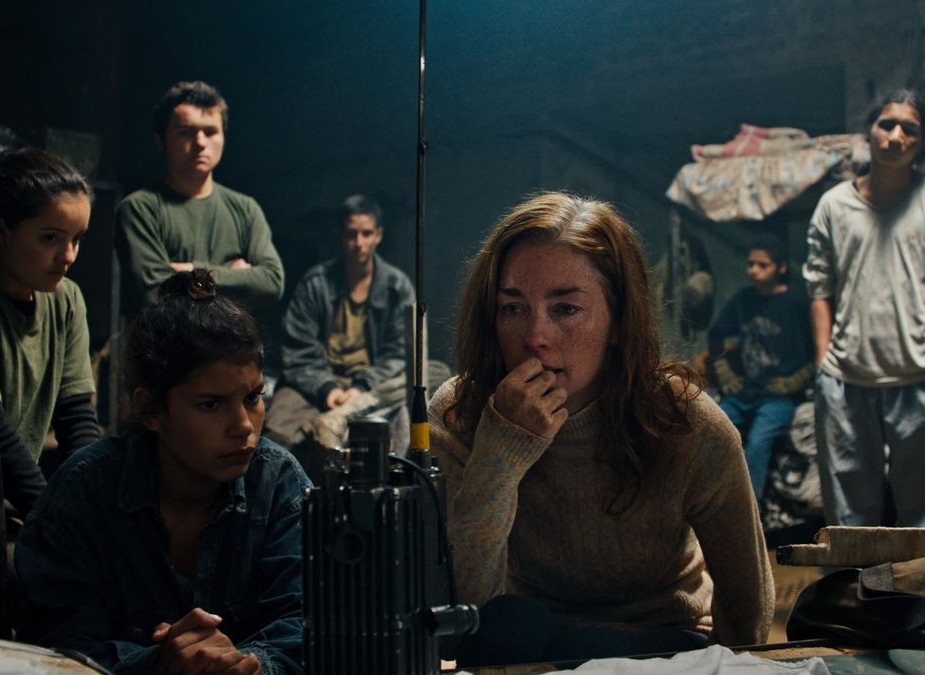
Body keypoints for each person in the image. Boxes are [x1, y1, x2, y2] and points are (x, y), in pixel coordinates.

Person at [431, 192, 773, 666]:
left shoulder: (684, 422)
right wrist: (500, 454)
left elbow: (748, 612)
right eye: (513, 309)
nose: (535, 337)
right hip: (533, 629)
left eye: (565, 309)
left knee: (593, 649)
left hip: (665, 636)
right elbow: (459, 616)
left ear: (618, 320)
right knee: (507, 625)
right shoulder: (462, 412)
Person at [15, 270, 308, 674]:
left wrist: (249, 666)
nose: (244, 425)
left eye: (253, 397)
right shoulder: (84, 491)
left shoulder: (277, 483)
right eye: (210, 404)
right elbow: (55, 647)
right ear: (151, 410)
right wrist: (156, 664)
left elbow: (309, 623)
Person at [804, 89, 925, 527]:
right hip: (845, 378)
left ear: (922, 141)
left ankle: (921, 578)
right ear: (870, 131)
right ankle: (855, 575)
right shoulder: (834, 205)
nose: (896, 136)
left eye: (909, 129)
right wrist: (823, 361)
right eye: (887, 124)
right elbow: (819, 286)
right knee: (849, 517)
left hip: (923, 376)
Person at [0, 147, 101, 517]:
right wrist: (49, 514)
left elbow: (76, 415)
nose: (69, 256)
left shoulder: (66, 300)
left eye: (77, 239)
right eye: (50, 238)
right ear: (0, 229)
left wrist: (87, 499)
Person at [266, 195, 414, 465]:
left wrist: (361, 387)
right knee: (278, 431)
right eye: (351, 234)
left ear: (378, 235)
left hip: (373, 385)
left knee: (431, 373)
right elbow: (298, 348)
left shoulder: (396, 286)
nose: (359, 243)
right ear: (340, 235)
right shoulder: (316, 283)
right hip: (319, 380)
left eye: (366, 233)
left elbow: (398, 352)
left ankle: (342, 417)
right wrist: (327, 388)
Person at [115, 80, 284, 316]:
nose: (200, 143)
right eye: (185, 132)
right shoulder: (140, 209)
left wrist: (192, 271)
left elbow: (271, 282)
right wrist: (232, 275)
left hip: (229, 340)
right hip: (166, 340)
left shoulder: (246, 209)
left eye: (211, 132)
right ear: (161, 141)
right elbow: (154, 294)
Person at [707, 234, 814, 503]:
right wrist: (724, 372)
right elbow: (716, 334)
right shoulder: (744, 300)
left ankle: (749, 509)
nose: (753, 270)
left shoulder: (796, 302)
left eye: (762, 265)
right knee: (710, 431)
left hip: (778, 396)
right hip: (745, 392)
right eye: (750, 264)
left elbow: (818, 347)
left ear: (781, 267)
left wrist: (796, 381)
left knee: (758, 442)